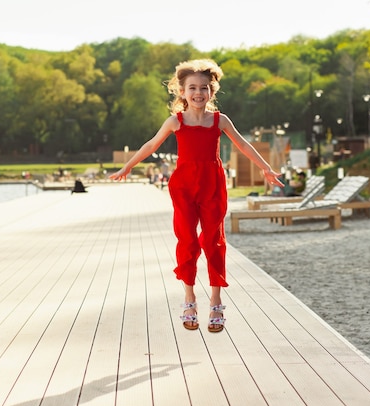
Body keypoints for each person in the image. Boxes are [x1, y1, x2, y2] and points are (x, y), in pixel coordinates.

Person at [109, 59, 283, 333]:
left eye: (204, 87)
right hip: (184, 187)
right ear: (182, 91)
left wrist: (266, 168)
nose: (198, 92)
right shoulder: (175, 121)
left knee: (214, 241)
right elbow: (151, 145)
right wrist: (127, 166)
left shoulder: (220, 121)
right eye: (192, 87)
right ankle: (189, 297)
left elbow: (243, 144)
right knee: (187, 240)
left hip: (213, 185)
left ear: (212, 91)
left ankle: (216, 299)